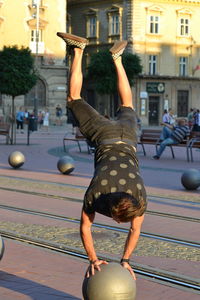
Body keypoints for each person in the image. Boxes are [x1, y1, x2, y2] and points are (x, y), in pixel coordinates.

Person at [57, 32, 147, 280]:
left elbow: (131, 230)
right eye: (119, 220)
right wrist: (94, 259)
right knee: (73, 98)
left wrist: (123, 259)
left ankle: (118, 59)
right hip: (104, 136)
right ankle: (78, 50)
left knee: (127, 105)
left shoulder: (139, 196)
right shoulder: (96, 194)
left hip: (128, 136)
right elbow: (86, 228)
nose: (119, 223)